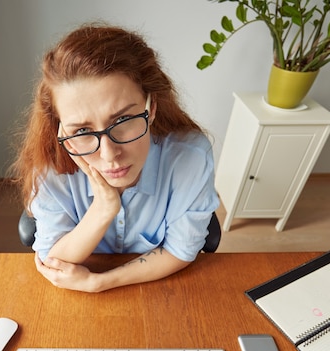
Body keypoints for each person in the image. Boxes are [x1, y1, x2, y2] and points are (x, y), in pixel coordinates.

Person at [11, 23, 219, 293]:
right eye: (82, 131)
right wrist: (103, 208)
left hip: (158, 289)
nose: (110, 154)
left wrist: (100, 282)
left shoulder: (190, 157)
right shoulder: (51, 165)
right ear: (60, 130)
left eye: (123, 119)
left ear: (151, 108)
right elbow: (53, 262)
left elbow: (181, 251)